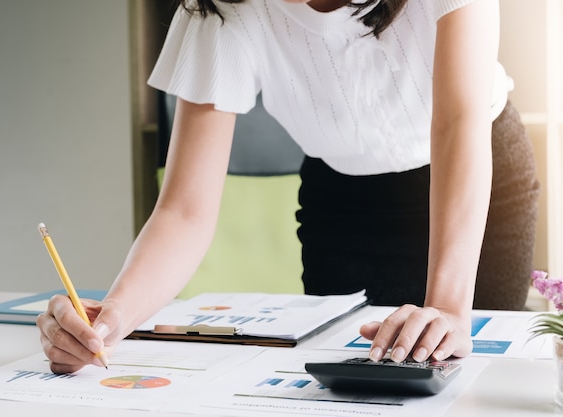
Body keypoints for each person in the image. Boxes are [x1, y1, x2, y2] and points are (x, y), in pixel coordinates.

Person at [37, 0, 540, 374]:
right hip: (342, 202)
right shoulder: (221, 9)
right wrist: (110, 318)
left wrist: (448, 307)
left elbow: (458, 123)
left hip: (476, 183)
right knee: (355, 387)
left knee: (467, 377)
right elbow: (184, 210)